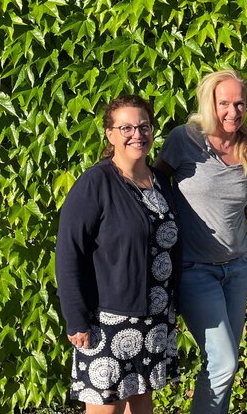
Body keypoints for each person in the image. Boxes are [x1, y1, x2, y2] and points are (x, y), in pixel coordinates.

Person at [56, 95, 179, 414]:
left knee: (141, 406)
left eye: (144, 126)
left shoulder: (161, 182)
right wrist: (76, 319)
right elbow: (69, 253)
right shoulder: (95, 183)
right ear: (110, 134)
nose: (137, 134)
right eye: (126, 127)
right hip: (108, 322)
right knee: (106, 408)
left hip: (155, 320)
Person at [154, 69, 247, 414]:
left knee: (224, 366)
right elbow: (153, 184)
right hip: (196, 271)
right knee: (223, 362)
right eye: (224, 103)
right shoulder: (185, 139)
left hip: (238, 268)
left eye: (240, 103)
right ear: (209, 103)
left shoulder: (246, 144)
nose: (232, 111)